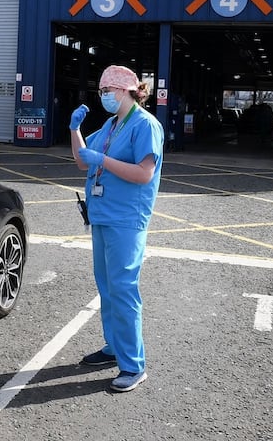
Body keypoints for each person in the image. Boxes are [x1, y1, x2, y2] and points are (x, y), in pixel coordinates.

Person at [68, 64, 164, 392]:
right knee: (107, 288)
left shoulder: (144, 125)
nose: (103, 96)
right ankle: (114, 347)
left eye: (106, 91)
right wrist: (75, 129)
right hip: (103, 215)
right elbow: (83, 159)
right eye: (102, 92)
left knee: (123, 290)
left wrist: (102, 160)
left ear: (124, 90)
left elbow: (143, 174)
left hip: (126, 219)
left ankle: (134, 366)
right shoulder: (111, 125)